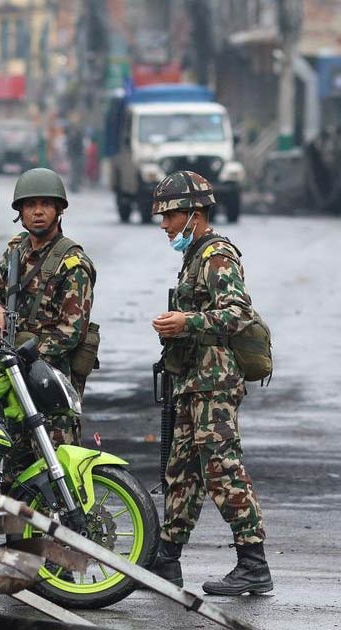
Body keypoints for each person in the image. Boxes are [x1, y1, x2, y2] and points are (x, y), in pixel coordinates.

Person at [147, 170, 272, 595]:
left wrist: (187, 321)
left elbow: (238, 313)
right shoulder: (195, 254)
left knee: (222, 468)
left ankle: (253, 562)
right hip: (193, 380)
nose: (164, 225)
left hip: (214, 382)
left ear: (194, 214)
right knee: (181, 472)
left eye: (170, 216)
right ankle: (166, 561)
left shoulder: (217, 255)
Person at [0, 168, 97, 483]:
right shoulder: (15, 251)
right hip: (17, 381)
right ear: (20, 211)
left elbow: (71, 331)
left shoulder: (73, 264)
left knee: (58, 472)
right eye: (30, 204)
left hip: (52, 383)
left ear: (59, 210)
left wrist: (27, 355)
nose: (38, 211)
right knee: (14, 473)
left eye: (46, 204)